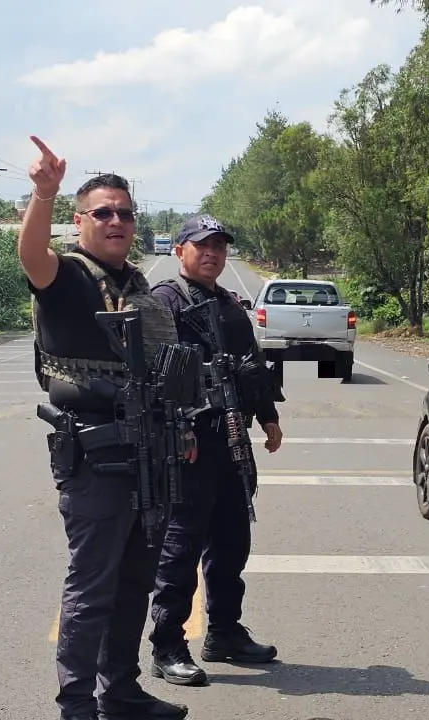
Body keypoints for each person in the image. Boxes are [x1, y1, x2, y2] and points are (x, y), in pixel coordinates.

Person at [18, 136, 191, 720]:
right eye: (103, 212)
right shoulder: (66, 278)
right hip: (96, 458)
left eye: (125, 212)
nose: (116, 221)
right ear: (81, 220)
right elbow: (31, 257)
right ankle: (76, 708)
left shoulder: (142, 289)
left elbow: (171, 372)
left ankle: (119, 692)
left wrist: (184, 432)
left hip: (152, 454)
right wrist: (43, 194)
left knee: (135, 583)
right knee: (92, 589)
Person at [147, 215, 283, 687]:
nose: (212, 254)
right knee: (180, 548)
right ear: (181, 249)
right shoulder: (164, 302)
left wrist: (268, 416)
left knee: (231, 543)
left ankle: (223, 632)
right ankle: (167, 645)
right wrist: (175, 429)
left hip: (230, 442)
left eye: (220, 247)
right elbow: (154, 377)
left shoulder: (229, 304)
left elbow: (252, 368)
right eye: (203, 246)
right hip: (186, 446)